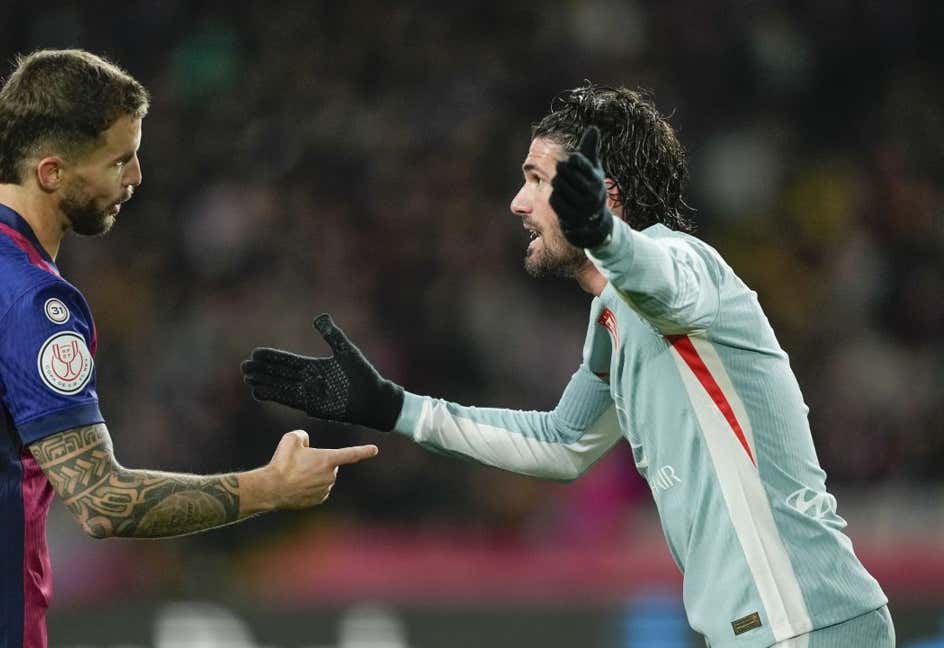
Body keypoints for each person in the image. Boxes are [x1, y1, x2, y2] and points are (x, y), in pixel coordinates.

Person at [241, 85, 892, 647]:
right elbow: (564, 443)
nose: (517, 205)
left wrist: (605, 235)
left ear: (599, 194)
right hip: (771, 629)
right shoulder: (614, 315)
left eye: (535, 180)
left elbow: (662, 278)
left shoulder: (690, 267)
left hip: (809, 622)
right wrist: (393, 407)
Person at [0, 48, 378, 648]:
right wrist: (269, 487)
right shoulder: (31, 304)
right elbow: (102, 503)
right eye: (119, 161)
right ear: (52, 172)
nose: (135, 178)